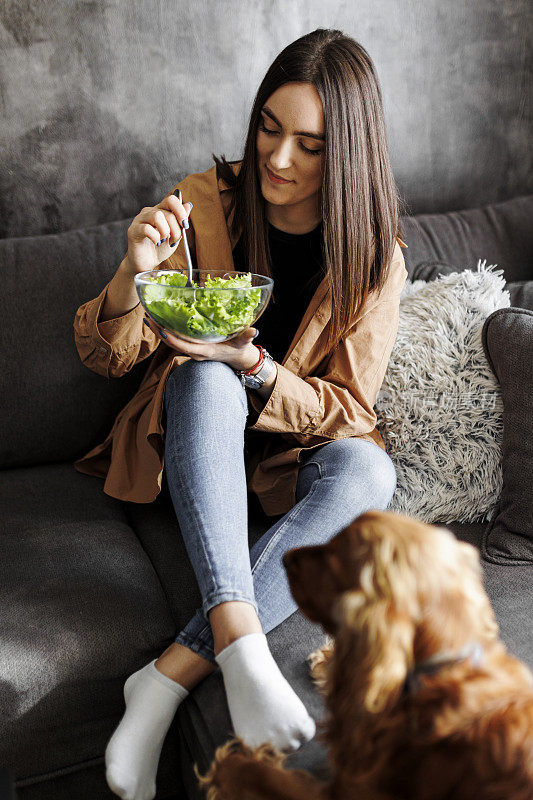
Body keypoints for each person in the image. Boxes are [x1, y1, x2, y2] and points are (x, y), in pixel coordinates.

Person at [73, 27, 408, 800]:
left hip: (290, 470)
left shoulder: (373, 255)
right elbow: (106, 356)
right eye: (268, 126)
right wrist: (132, 270)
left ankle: (164, 678)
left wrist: (256, 365)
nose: (278, 158)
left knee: (370, 465)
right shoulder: (199, 203)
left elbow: (350, 411)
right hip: (189, 446)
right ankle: (239, 648)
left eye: (310, 144)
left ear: (348, 152)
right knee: (202, 378)